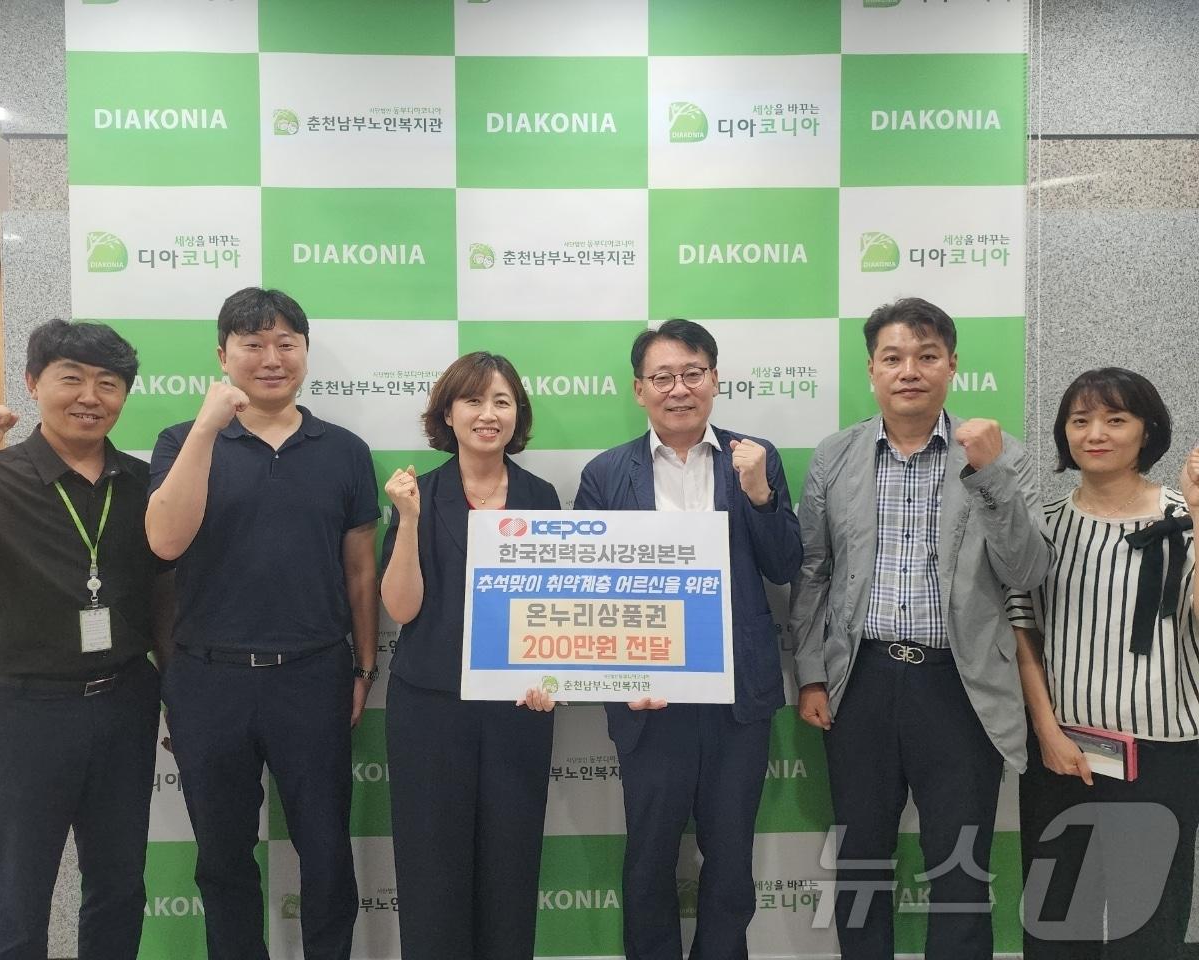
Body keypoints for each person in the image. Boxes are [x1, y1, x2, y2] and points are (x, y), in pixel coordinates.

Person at [789, 297, 1052, 960]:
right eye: (894, 357)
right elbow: (814, 571)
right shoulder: (835, 456)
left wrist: (989, 475)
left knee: (960, 866)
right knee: (861, 861)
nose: (910, 370)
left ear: (952, 365)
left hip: (961, 686)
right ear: (872, 369)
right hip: (861, 680)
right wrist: (812, 674)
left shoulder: (1004, 456)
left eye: (927, 356)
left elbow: (1026, 570)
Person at [0, 319, 169, 960]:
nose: (90, 396)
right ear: (33, 383)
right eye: (71, 378)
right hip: (21, 711)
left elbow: (166, 598)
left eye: (108, 383)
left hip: (123, 702)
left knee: (119, 887)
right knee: (16, 894)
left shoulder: (142, 484)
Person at [145, 287, 379, 960]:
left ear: (305, 351)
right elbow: (164, 542)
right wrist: (206, 428)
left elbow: (360, 572)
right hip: (208, 679)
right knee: (222, 858)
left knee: (326, 852)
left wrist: (364, 667)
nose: (272, 358)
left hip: (313, 674)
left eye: (286, 343)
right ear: (223, 356)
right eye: (253, 344)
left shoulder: (343, 450)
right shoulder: (180, 440)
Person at [573, 319, 803, 960]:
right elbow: (588, 591)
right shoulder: (606, 473)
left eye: (692, 373)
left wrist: (759, 494)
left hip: (736, 696)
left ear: (715, 380)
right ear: (639, 389)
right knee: (649, 857)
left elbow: (785, 565)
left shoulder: (753, 457)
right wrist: (619, 678)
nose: (679, 389)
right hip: (649, 699)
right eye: (663, 377)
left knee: (730, 858)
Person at [1009, 368, 1199, 958]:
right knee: (1059, 920)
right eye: (1080, 420)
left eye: (1116, 419)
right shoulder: (1042, 526)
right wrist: (1046, 732)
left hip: (1163, 752)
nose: (1096, 434)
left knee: (1151, 926)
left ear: (1148, 431)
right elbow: (1023, 632)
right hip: (1063, 753)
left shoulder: (1185, 519)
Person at [380, 351, 560, 960]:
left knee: (511, 867)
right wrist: (409, 521)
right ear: (448, 414)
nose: (488, 414)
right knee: (431, 870)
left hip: (517, 711)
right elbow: (401, 608)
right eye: (473, 400)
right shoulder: (419, 494)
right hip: (430, 710)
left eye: (501, 401)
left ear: (518, 415)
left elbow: (555, 607)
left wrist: (549, 679)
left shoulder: (540, 496)